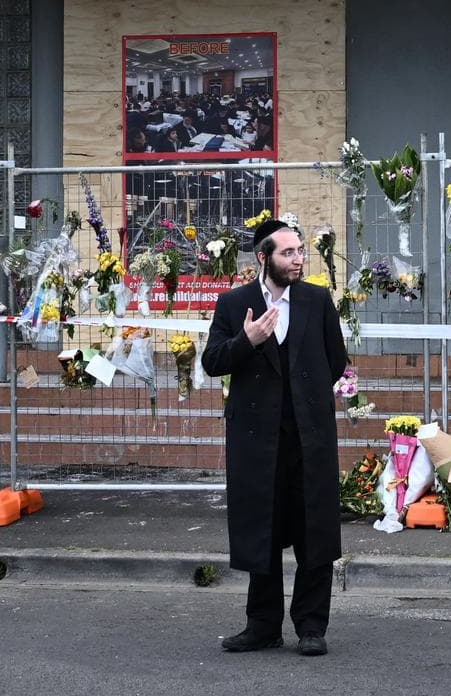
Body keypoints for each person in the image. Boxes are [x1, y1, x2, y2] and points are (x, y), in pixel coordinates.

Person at [201, 219, 348, 658]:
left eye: (300, 251)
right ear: (263, 258)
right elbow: (212, 362)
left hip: (310, 436)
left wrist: (307, 398)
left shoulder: (317, 300)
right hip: (256, 440)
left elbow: (336, 360)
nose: (298, 258)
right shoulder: (234, 303)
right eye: (288, 253)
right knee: (260, 532)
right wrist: (246, 340)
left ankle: (310, 626)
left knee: (314, 533)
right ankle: (262, 626)